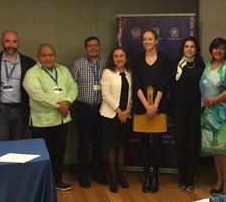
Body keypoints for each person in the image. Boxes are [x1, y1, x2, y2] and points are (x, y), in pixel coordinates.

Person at [23, 44, 78, 191]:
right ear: (38, 57)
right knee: (42, 155)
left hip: (61, 119)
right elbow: (37, 95)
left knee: (59, 152)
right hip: (42, 122)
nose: (47, 58)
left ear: (55, 56)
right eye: (44, 55)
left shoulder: (63, 70)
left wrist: (68, 102)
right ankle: (41, 184)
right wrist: (60, 106)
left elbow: (73, 87)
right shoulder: (32, 73)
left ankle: (57, 180)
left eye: (50, 55)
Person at [200, 37, 226, 194]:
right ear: (211, 50)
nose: (218, 51)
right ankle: (219, 180)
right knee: (215, 149)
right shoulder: (207, 66)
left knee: (225, 150)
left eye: (222, 48)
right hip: (208, 114)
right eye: (216, 48)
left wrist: (213, 100)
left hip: (225, 116)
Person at [132, 29, 170, 194]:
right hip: (142, 107)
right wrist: (147, 106)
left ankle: (155, 176)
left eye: (150, 39)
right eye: (144, 39)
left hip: (159, 106)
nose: (146, 42)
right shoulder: (137, 59)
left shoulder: (165, 59)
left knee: (157, 143)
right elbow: (136, 84)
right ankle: (146, 175)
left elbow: (163, 84)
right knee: (143, 144)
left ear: (156, 41)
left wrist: (154, 105)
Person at [70, 36, 108, 188]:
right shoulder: (77, 64)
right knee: (84, 142)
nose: (93, 48)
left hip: (102, 108)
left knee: (99, 143)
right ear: (85, 48)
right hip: (84, 108)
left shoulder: (106, 63)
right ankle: (83, 174)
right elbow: (71, 86)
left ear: (100, 47)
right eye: (90, 46)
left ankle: (98, 173)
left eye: (96, 45)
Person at [0, 30, 35, 141]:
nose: (11, 45)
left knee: (17, 145)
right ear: (1, 41)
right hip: (0, 110)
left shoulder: (29, 62)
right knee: (0, 145)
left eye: (14, 41)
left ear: (18, 42)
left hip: (20, 109)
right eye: (7, 41)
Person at [170, 36, 204, 193]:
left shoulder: (201, 65)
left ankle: (189, 180)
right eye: (186, 46)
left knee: (192, 145)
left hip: (195, 110)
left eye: (192, 46)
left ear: (196, 49)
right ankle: (181, 178)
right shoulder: (175, 64)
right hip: (178, 110)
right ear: (182, 49)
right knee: (181, 145)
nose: (189, 49)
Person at [100, 47, 132, 193]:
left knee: (122, 145)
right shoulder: (108, 72)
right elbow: (105, 95)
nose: (119, 58)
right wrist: (119, 111)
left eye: (122, 56)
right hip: (110, 115)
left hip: (127, 115)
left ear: (126, 58)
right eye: (116, 56)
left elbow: (133, 94)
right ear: (112, 59)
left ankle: (121, 174)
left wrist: (128, 111)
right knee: (112, 146)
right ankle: (112, 177)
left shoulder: (130, 73)